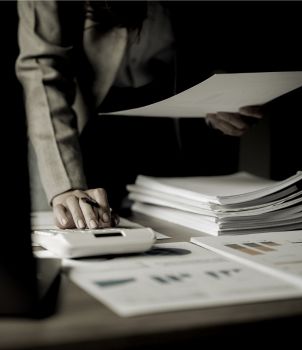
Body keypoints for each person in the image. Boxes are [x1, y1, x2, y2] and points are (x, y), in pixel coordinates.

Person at [16, 1, 263, 230]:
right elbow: (42, 70)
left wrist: (218, 95)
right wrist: (66, 184)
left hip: (172, 125)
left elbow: (211, 36)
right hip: (74, 128)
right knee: (73, 234)